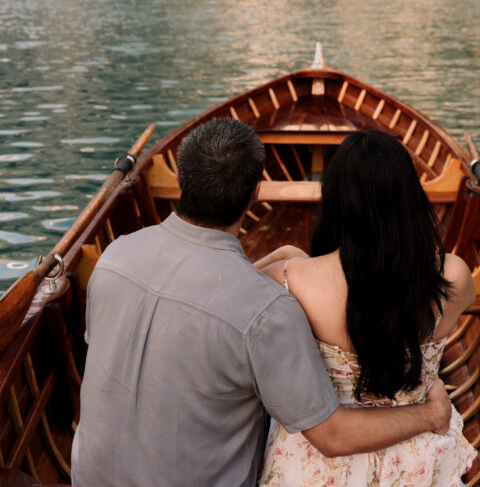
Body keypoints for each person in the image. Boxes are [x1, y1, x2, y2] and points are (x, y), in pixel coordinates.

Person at [71, 118, 452, 487]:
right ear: (256, 193)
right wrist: (431, 414)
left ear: (180, 179)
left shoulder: (115, 258)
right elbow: (332, 436)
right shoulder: (266, 311)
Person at [257, 129, 478, 487]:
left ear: (337, 202)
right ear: (410, 198)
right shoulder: (453, 276)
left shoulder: (291, 279)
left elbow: (236, 281)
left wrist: (287, 253)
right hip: (417, 466)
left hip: (312, 466)